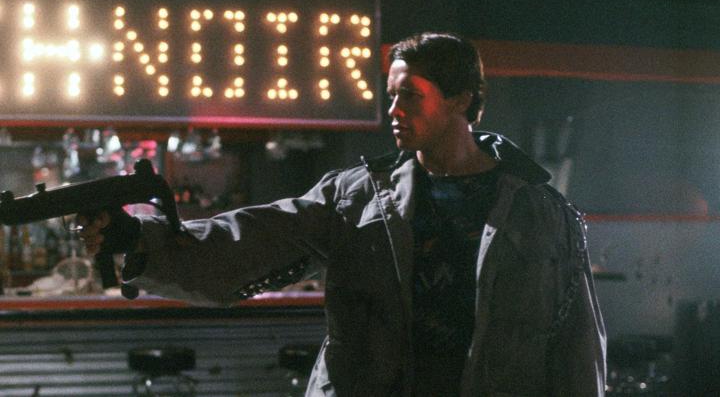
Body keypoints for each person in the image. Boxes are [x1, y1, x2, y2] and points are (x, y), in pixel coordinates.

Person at [80, 32, 606, 396]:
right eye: (391, 96)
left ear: (461, 100)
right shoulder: (357, 198)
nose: (393, 111)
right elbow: (250, 241)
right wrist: (137, 237)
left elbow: (578, 346)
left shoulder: (542, 214)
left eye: (410, 96)